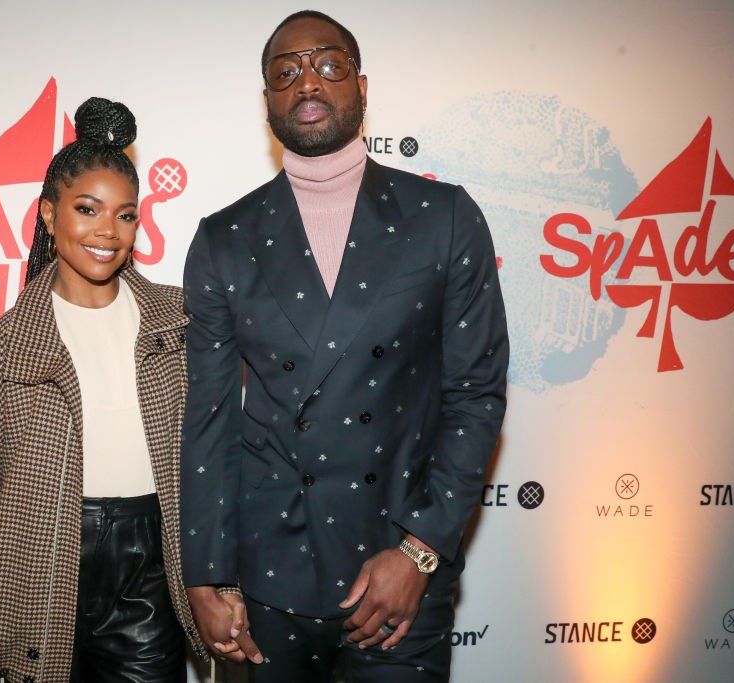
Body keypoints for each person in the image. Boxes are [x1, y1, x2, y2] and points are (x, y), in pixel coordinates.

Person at [180, 10, 509, 682]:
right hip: (269, 577)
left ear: (361, 85)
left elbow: (474, 396)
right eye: (286, 71)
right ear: (267, 98)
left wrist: (419, 553)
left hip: (397, 571)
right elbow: (211, 420)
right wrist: (207, 575)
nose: (308, 82)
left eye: (328, 65)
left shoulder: (444, 218)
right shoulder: (224, 238)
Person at [0, 97, 204, 683]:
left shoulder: (179, 322)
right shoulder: (8, 343)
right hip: (32, 578)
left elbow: (221, 463)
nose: (106, 231)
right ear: (47, 214)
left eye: (125, 215)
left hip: (148, 576)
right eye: (87, 209)